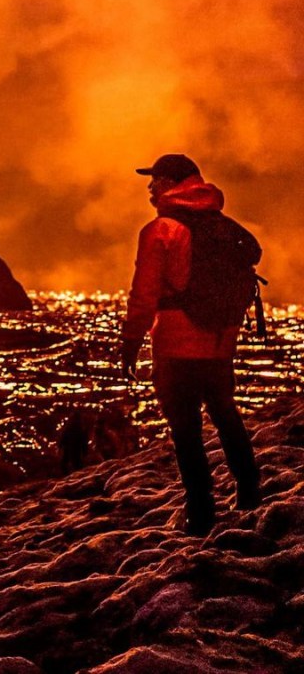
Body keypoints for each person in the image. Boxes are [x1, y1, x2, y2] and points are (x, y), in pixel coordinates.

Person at [119, 153, 260, 535]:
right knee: (226, 415)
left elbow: (144, 296)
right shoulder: (221, 225)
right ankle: (250, 493)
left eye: (156, 179)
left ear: (170, 184)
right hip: (219, 342)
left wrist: (130, 341)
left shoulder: (161, 230)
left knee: (186, 431)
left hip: (177, 345)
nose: (150, 187)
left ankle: (200, 514)